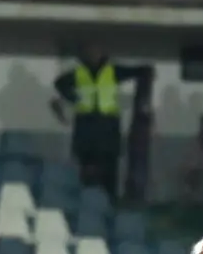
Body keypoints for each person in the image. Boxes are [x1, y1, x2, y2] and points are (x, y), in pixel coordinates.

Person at [51, 45, 153, 201]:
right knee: (87, 170)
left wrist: (146, 71)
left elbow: (135, 72)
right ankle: (87, 202)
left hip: (107, 127)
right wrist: (73, 98)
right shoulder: (79, 73)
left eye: (96, 53)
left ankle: (108, 202)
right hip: (86, 126)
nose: (93, 56)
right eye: (90, 53)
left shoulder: (112, 71)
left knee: (109, 170)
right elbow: (59, 83)